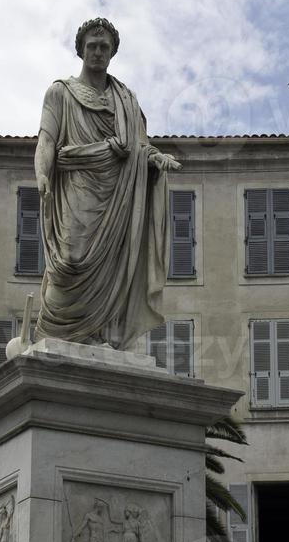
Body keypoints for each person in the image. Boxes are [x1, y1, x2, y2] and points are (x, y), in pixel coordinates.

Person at [34, 17, 181, 348]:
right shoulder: (60, 92)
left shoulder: (126, 99)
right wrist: (42, 174)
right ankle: (55, 333)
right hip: (76, 187)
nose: (98, 52)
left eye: (104, 47)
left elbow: (141, 146)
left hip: (119, 196)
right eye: (92, 46)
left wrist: (154, 159)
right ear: (80, 50)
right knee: (70, 261)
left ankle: (102, 334)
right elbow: (46, 140)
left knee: (113, 267)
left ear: (112, 52)